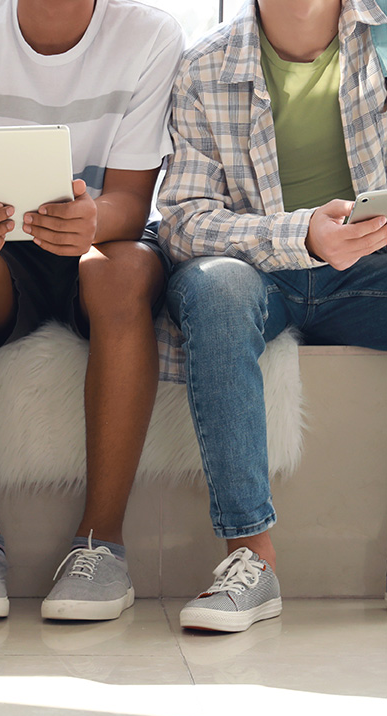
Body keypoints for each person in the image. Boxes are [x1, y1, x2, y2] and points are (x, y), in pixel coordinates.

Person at [0, 0, 183, 620]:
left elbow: (132, 202)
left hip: (103, 238)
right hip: (3, 255)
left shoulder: (149, 34)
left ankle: (102, 546)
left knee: (122, 277)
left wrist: (91, 220)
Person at [159, 0, 387, 632]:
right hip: (257, 271)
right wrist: (302, 237)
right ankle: (250, 562)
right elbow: (182, 222)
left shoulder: (381, 41)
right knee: (216, 289)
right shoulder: (206, 66)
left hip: (370, 272)